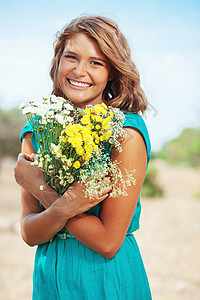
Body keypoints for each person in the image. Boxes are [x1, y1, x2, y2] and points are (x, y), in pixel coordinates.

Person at [14, 15, 152, 299]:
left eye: (95, 63)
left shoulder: (125, 133)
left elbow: (107, 242)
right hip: (48, 277)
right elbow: (29, 233)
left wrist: (47, 193)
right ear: (57, 62)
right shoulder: (36, 130)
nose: (79, 71)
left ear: (112, 72)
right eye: (71, 57)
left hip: (104, 277)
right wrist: (65, 205)